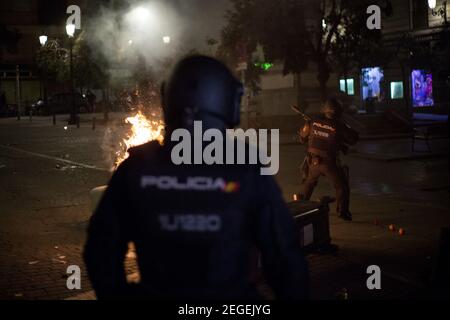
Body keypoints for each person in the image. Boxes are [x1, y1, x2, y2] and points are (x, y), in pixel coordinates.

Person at [84, 55, 309, 300]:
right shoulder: (246, 169)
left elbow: (100, 251)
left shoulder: (135, 169)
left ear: (167, 100)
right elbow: (286, 259)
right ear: (228, 104)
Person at [298, 98, 359, 221]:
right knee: (342, 186)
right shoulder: (339, 125)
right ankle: (343, 212)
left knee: (309, 184)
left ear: (324, 110)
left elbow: (302, 139)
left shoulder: (313, 122)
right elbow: (353, 139)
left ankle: (300, 207)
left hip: (313, 163)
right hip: (329, 163)